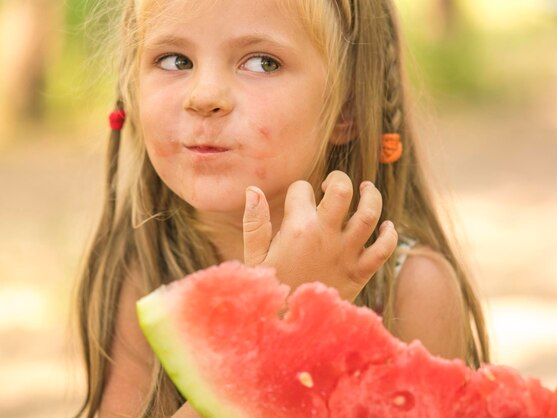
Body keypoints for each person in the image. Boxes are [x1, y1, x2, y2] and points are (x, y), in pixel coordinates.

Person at [75, 0, 490, 417]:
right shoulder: (139, 272)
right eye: (175, 59)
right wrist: (272, 334)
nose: (204, 96)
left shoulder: (413, 290)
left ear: (346, 108)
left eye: (262, 63)